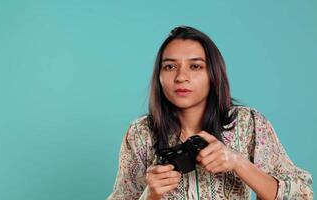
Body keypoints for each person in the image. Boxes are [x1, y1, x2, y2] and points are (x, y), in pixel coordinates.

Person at [107, 26, 313, 200]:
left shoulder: (248, 123)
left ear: (213, 73)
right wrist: (150, 195)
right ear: (159, 75)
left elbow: (302, 194)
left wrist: (237, 162)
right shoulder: (141, 132)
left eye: (195, 66)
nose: (181, 77)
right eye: (169, 66)